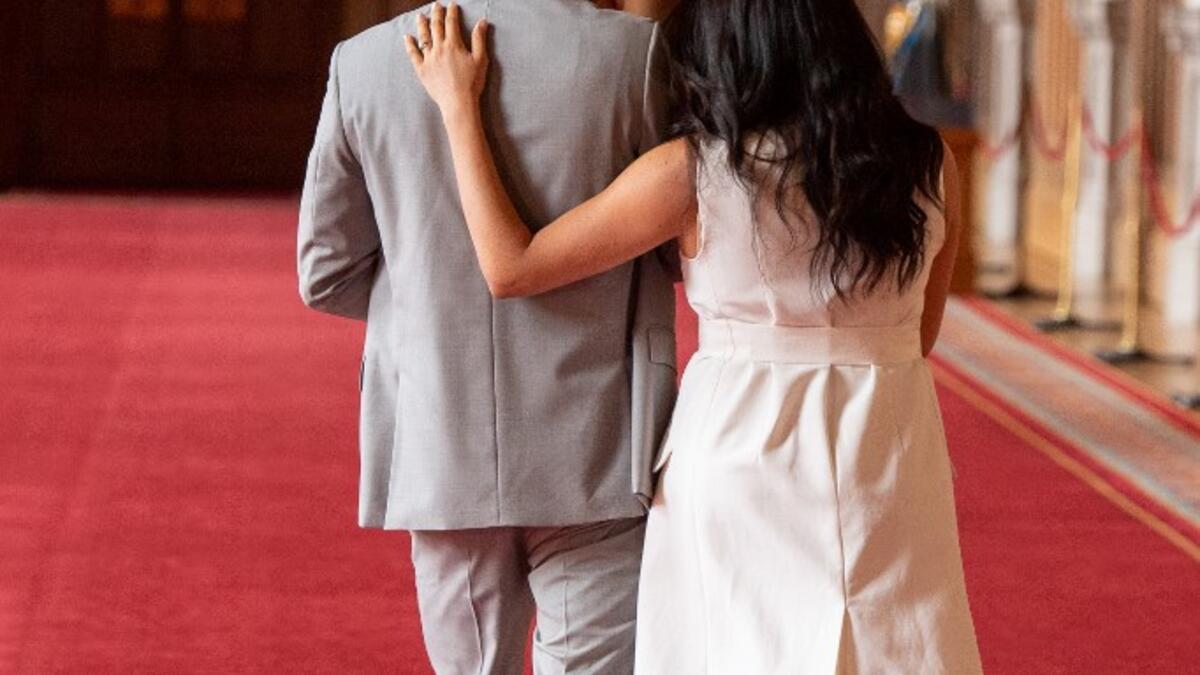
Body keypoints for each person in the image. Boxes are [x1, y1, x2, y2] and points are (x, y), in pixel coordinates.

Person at [405, 0, 984, 672]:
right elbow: (921, 335)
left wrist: (457, 108)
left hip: (741, 443)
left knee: (734, 644)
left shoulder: (700, 169)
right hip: (887, 443)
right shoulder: (929, 162)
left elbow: (513, 265)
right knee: (892, 639)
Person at [297, 1, 680, 673]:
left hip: (444, 444)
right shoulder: (633, 56)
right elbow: (678, 248)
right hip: (599, 444)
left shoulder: (364, 64)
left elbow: (324, 273)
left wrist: (430, 303)